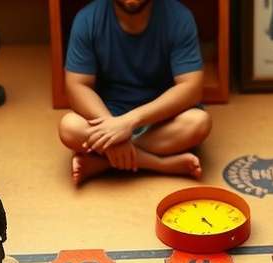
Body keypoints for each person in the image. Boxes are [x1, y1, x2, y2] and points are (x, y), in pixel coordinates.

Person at [58, 0, 212, 185]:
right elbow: (77, 86)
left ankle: (103, 162)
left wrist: (129, 122)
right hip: (106, 116)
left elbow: (191, 88)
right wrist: (111, 128)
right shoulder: (87, 19)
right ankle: (158, 164)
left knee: (199, 123)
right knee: (69, 127)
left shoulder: (179, 17)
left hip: (159, 119)